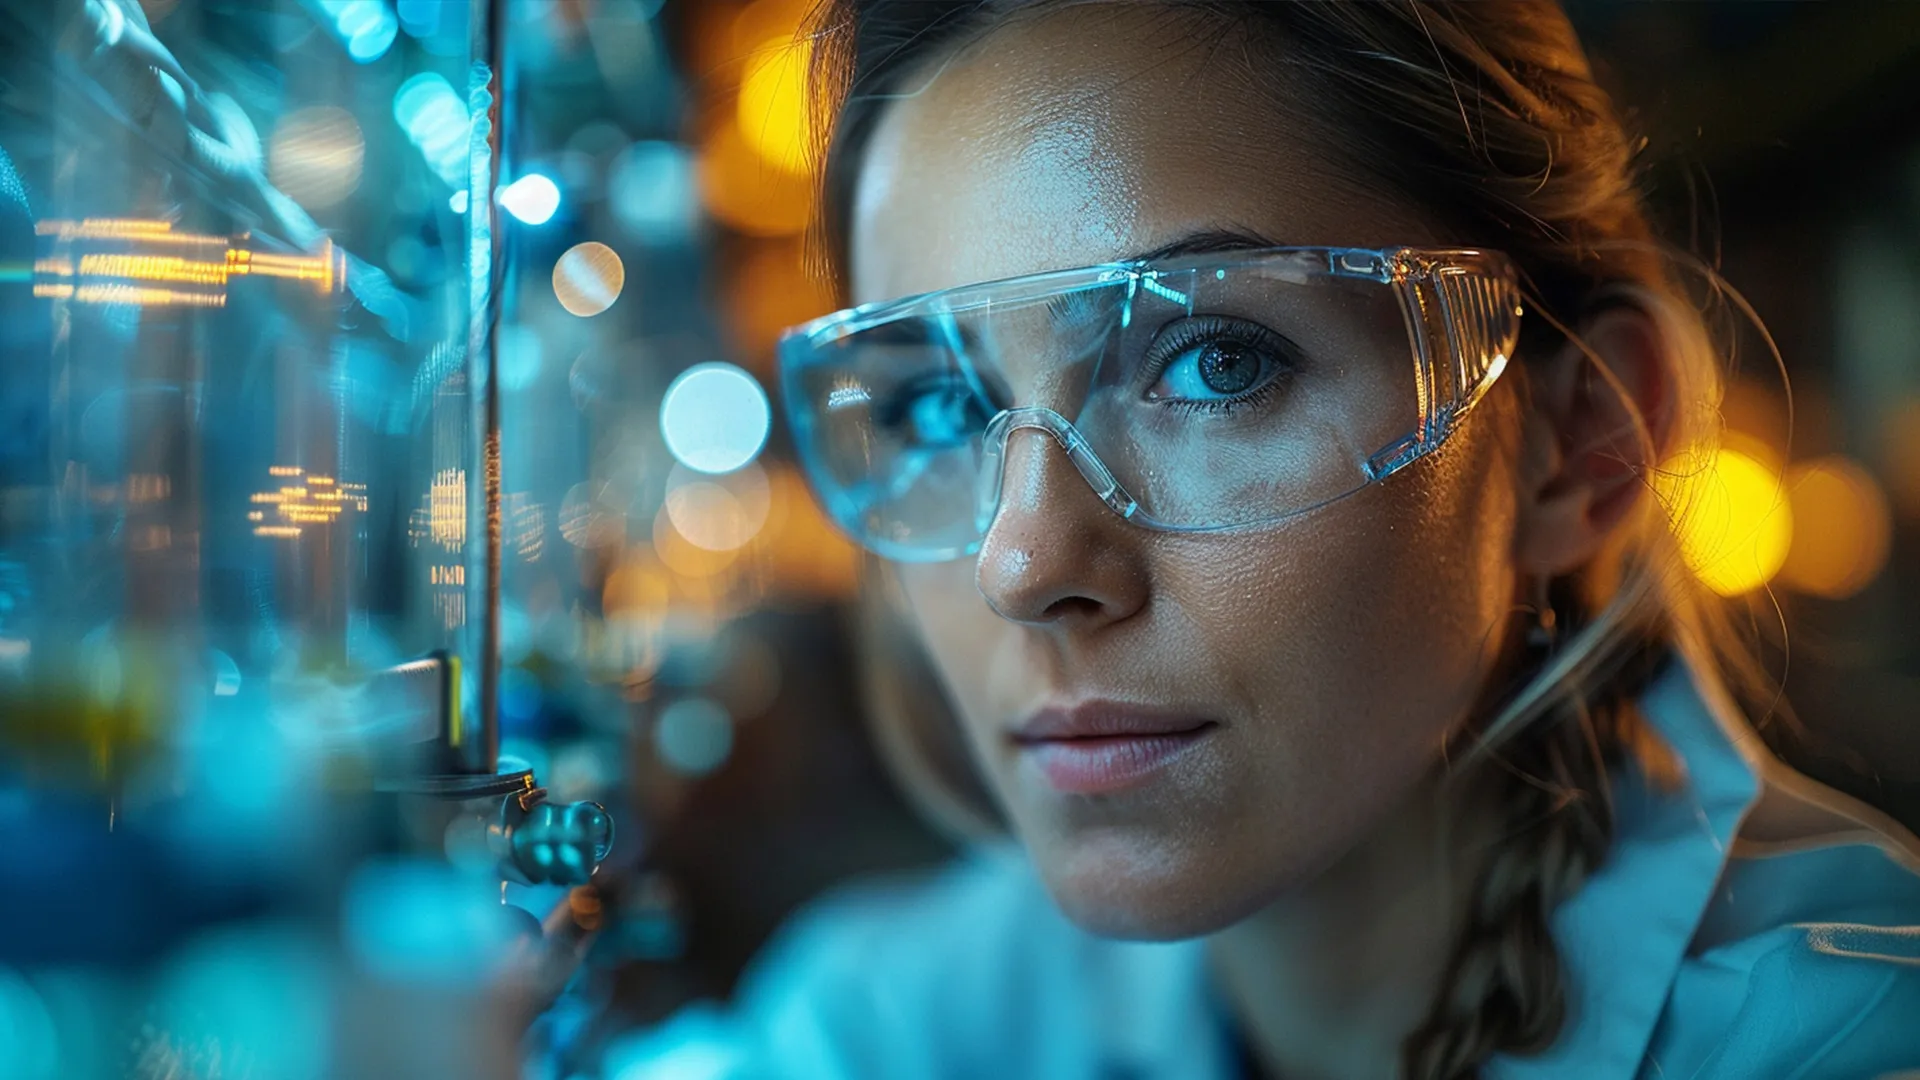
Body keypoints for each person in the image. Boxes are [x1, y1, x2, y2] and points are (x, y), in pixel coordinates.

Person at [614, 2, 1920, 1077]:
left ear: (1582, 444)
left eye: (1217, 365)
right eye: (945, 405)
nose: (1022, 566)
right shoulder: (918, 1018)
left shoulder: (1841, 1039)